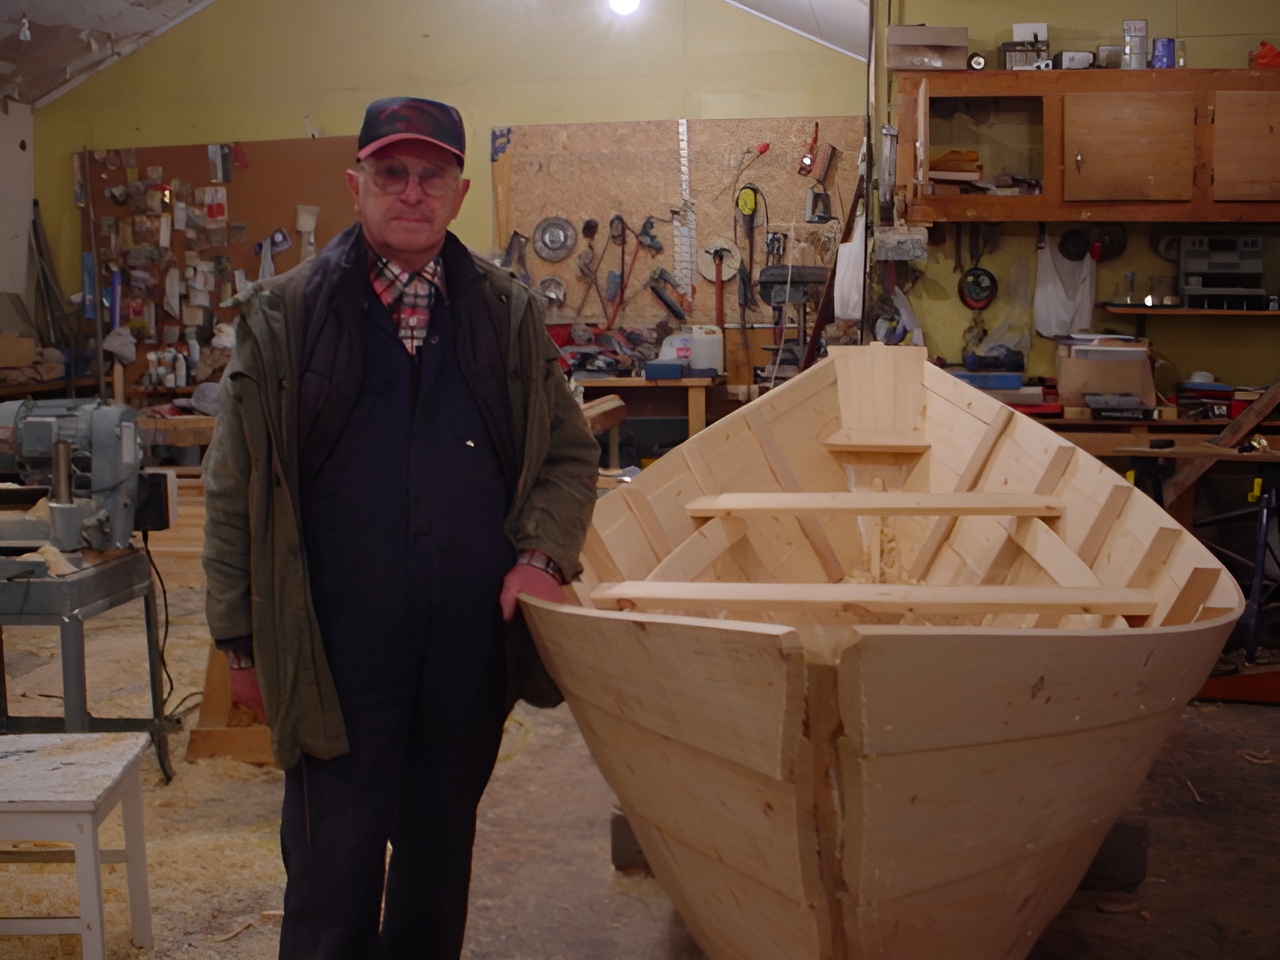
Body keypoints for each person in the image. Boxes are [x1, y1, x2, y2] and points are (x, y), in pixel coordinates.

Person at [202, 95, 600, 960]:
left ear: (460, 193)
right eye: (392, 172)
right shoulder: (284, 319)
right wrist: (240, 644)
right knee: (329, 868)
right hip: (333, 651)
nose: (411, 191)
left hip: (466, 650)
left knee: (437, 861)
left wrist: (541, 555)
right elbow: (235, 489)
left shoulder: (510, 318)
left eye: (432, 174)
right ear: (356, 185)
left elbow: (571, 458)